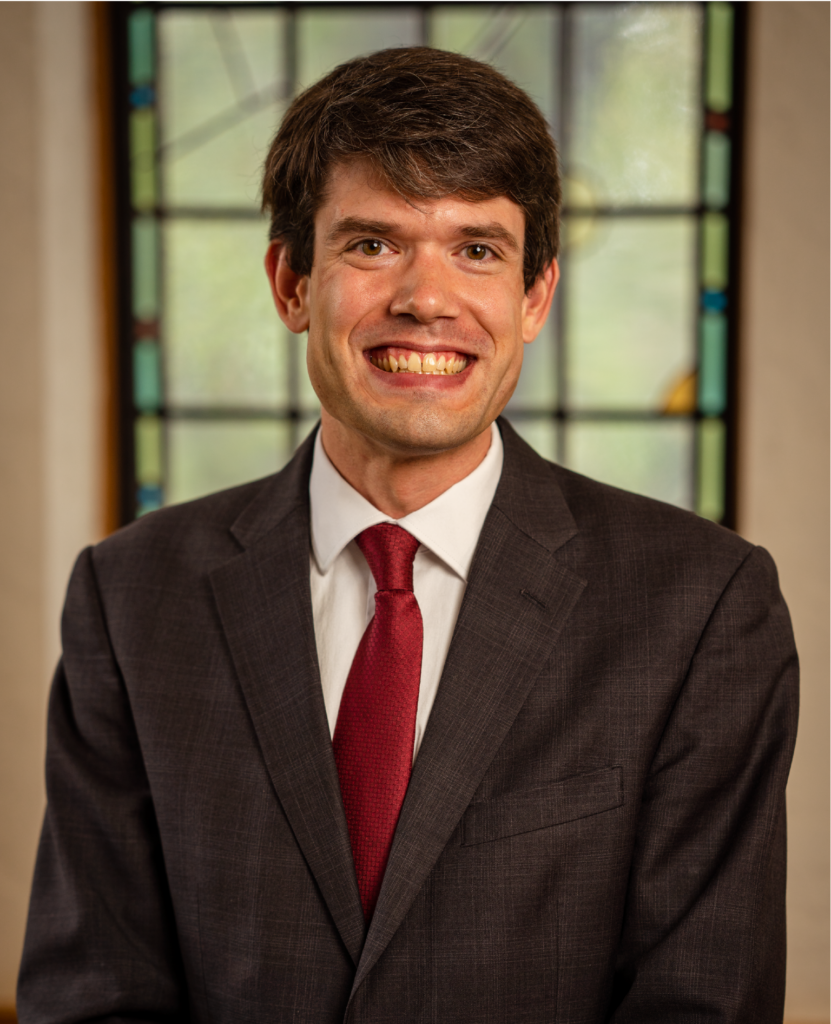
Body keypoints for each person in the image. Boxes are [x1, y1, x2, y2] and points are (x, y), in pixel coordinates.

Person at [18, 46, 798, 1023]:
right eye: (373, 244)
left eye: (477, 248)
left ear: (535, 297)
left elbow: (703, 1006)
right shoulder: (133, 599)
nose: (427, 298)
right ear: (291, 283)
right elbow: (93, 997)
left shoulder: (701, 608)